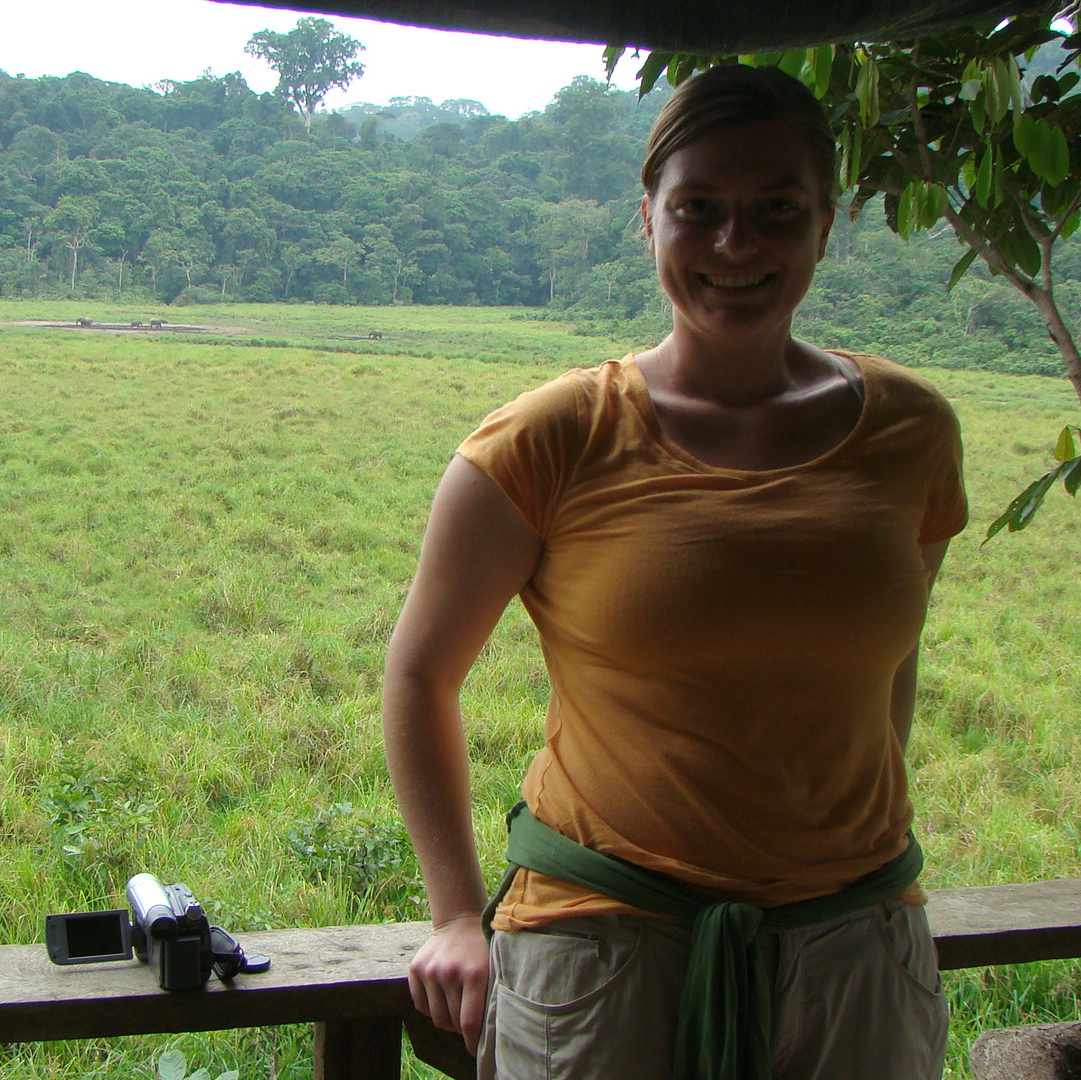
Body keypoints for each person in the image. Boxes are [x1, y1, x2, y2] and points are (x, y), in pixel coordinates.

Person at [383, 63, 966, 1080]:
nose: (737, 245)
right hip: (604, 946)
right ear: (646, 220)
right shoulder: (547, 439)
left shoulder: (911, 430)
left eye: (776, 209)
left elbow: (887, 666)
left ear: (827, 221)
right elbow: (419, 676)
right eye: (698, 208)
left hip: (854, 941)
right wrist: (451, 915)